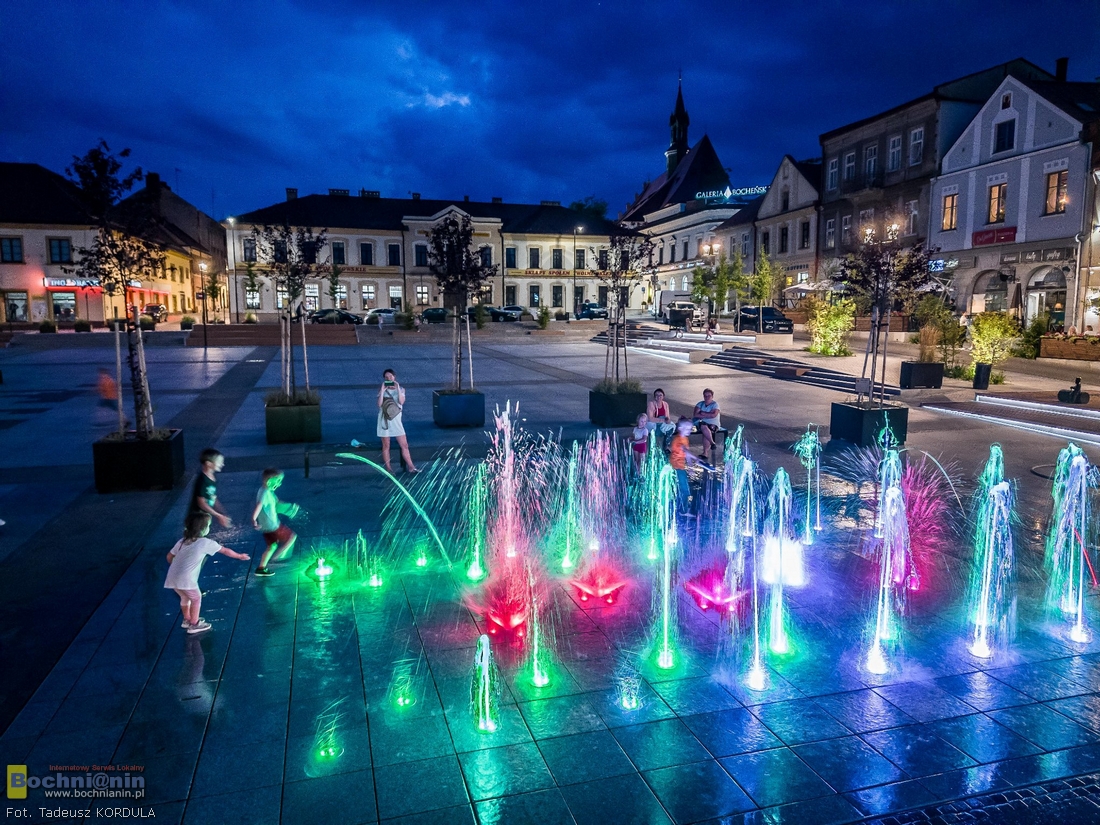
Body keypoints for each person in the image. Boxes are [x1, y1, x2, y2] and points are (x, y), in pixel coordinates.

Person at [165, 513, 250, 634]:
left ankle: (187, 619)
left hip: (172, 577)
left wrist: (177, 567)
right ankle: (194, 624)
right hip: (186, 579)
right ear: (203, 528)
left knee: (184, 597)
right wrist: (239, 556)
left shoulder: (182, 541)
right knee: (196, 598)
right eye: (208, 526)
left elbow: (169, 557)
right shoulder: (205, 542)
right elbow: (225, 551)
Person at [253, 468, 300, 577]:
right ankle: (277, 559)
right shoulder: (265, 493)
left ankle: (261, 568)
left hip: (267, 527)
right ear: (269, 481)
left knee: (271, 547)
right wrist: (253, 519)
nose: (279, 484)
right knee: (291, 537)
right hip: (273, 526)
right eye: (278, 481)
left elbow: (276, 503)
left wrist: (289, 508)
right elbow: (259, 505)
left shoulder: (266, 491)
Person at [378, 369, 419, 474]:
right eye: (386, 378)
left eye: (390, 377)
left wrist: (397, 388)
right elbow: (379, 405)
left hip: (396, 421)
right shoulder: (382, 390)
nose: (389, 379)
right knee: (386, 445)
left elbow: (401, 401)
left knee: (404, 445)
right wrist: (382, 390)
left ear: (394, 377)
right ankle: (388, 468)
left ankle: (411, 466)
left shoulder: (401, 389)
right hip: (384, 421)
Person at [191, 448, 232, 528]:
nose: (222, 464)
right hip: (197, 517)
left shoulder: (212, 477)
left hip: (205, 515)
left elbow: (212, 496)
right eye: (219, 462)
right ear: (209, 464)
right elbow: (201, 503)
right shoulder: (202, 481)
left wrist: (222, 513)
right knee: (197, 536)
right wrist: (218, 515)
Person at [669, 417, 703, 511]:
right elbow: (685, 451)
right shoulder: (677, 439)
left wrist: (691, 468)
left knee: (681, 487)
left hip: (681, 467)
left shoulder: (685, 439)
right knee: (684, 489)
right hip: (675, 467)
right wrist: (696, 458)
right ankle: (682, 510)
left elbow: (686, 455)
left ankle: (678, 507)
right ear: (680, 429)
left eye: (690, 428)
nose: (690, 430)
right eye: (687, 428)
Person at [693, 388, 721, 457]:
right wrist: (708, 414)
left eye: (709, 396)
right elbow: (695, 414)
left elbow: (714, 415)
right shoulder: (700, 404)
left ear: (712, 396)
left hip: (713, 424)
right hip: (702, 423)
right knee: (704, 426)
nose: (707, 397)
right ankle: (712, 443)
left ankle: (705, 453)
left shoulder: (715, 404)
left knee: (707, 430)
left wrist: (703, 413)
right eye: (705, 396)